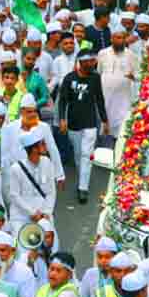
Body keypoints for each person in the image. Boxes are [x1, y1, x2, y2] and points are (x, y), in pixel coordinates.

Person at [57, 50, 109, 203]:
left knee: (87, 155)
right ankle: (83, 180)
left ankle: (83, 189)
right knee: (79, 156)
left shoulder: (95, 78)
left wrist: (105, 120)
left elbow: (99, 99)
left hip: (90, 123)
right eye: (89, 61)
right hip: (73, 123)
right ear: (81, 62)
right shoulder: (69, 78)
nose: (92, 64)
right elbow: (63, 101)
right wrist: (62, 119)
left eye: (93, 61)